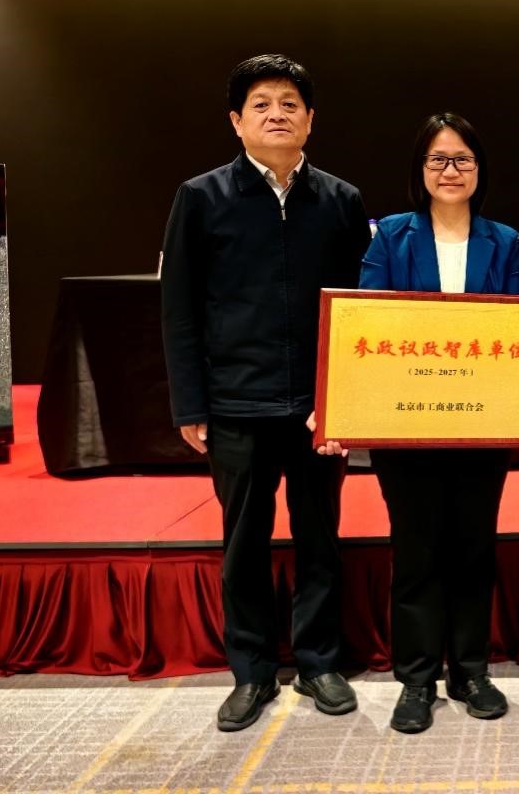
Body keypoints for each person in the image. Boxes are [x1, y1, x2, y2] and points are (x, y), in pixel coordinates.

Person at [160, 54, 370, 731]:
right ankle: (250, 672)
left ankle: (318, 661)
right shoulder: (201, 197)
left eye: (289, 104)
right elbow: (179, 308)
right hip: (236, 403)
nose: (276, 114)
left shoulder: (340, 200)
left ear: (310, 119)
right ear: (236, 120)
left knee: (320, 538)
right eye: (261, 104)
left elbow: (360, 310)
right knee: (243, 542)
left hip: (317, 407)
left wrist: (349, 401)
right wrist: (191, 403)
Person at [316, 113, 519, 734]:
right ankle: (416, 678)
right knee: (415, 550)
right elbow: (369, 326)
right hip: (405, 426)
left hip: (482, 427)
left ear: (479, 170)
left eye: (463, 159)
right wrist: (347, 406)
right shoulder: (389, 238)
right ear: (420, 170)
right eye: (438, 159)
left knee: (473, 548)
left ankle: (471, 671)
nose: (450, 170)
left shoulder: (506, 241)